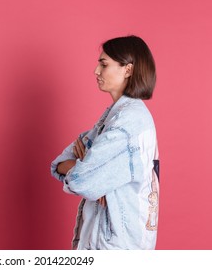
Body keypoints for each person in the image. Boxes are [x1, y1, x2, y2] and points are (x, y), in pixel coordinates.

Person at [50, 35, 159, 250]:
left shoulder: (128, 121)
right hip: (106, 239)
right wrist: (92, 171)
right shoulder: (114, 116)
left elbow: (83, 181)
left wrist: (90, 171)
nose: (96, 71)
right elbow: (60, 163)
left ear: (128, 69)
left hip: (116, 245)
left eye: (104, 64)